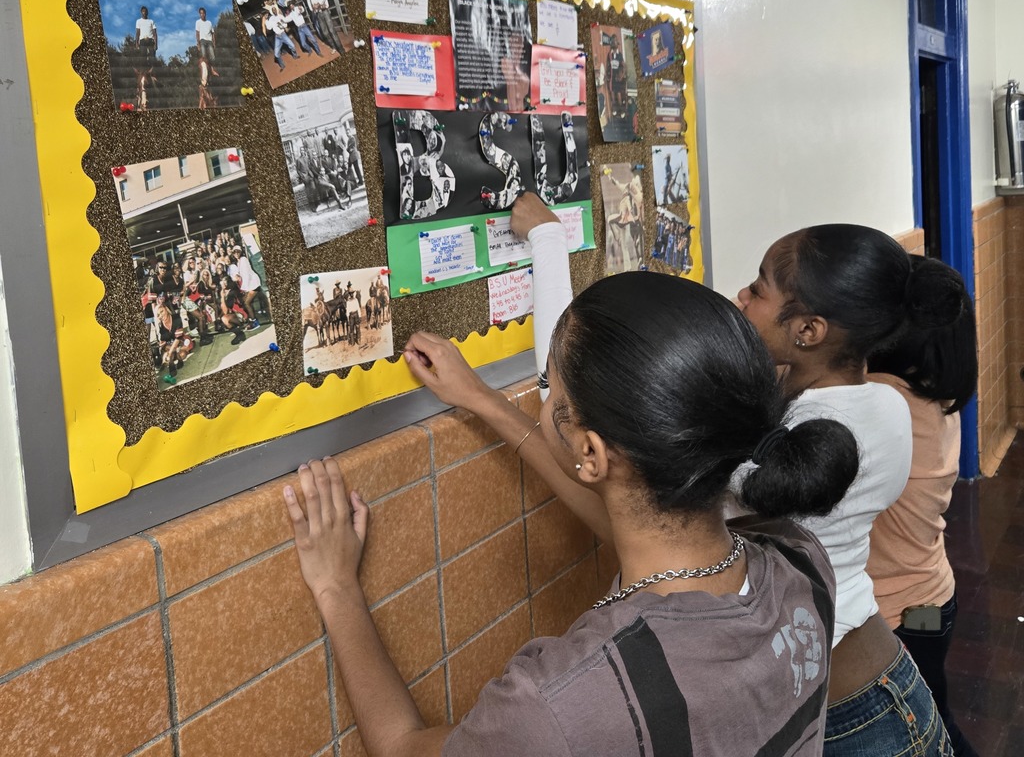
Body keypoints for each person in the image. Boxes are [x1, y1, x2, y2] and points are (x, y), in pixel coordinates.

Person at [286, 271, 859, 757]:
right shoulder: (800, 561)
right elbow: (643, 530)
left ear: (591, 452)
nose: (542, 397)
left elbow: (402, 748)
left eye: (547, 387)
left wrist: (335, 585)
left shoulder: (566, 701)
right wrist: (486, 401)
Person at [735, 225, 953, 755]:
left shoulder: (787, 444)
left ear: (808, 329)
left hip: (851, 715)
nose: (741, 296)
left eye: (758, 288)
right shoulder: (885, 404)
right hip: (878, 674)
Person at [866, 257, 979, 757]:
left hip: (903, 612)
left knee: (921, 729)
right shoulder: (933, 395)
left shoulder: (884, 398)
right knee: (933, 714)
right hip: (931, 599)